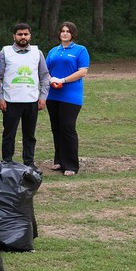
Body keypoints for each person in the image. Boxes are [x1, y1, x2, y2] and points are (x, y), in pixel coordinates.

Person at [0, 23, 50, 167]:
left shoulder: (37, 53)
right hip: (10, 101)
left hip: (31, 101)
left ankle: (29, 163)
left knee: (29, 135)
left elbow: (44, 76)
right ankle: (7, 162)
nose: (23, 37)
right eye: (20, 34)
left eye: (26, 34)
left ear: (30, 35)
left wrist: (43, 97)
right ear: (14, 36)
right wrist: (0, 98)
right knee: (9, 135)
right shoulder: (5, 52)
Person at [46, 21, 90, 176]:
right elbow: (45, 70)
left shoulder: (80, 50)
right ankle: (59, 161)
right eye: (62, 31)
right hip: (53, 95)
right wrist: (51, 79)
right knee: (56, 127)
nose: (65, 33)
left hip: (71, 96)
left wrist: (62, 80)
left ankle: (71, 165)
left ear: (73, 34)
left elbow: (82, 72)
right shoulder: (53, 51)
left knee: (67, 127)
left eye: (68, 31)